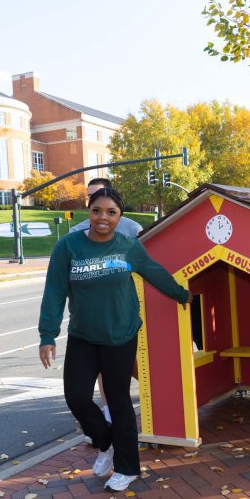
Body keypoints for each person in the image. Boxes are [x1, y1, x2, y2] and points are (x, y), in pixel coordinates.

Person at [39, 187, 190, 491]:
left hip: (120, 335)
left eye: (111, 212)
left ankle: (128, 468)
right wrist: (47, 334)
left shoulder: (128, 247)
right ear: (89, 212)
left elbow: (153, 272)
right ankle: (105, 442)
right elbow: (54, 291)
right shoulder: (68, 247)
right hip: (83, 335)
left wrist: (184, 295)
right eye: (97, 211)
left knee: (119, 400)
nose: (103, 218)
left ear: (120, 217)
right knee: (77, 397)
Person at [68, 177, 143, 426]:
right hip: (91, 316)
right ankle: (109, 413)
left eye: (100, 193)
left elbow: (146, 265)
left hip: (125, 311)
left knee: (134, 364)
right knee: (100, 367)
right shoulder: (75, 233)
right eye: (91, 196)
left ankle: (159, 395)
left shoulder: (132, 229)